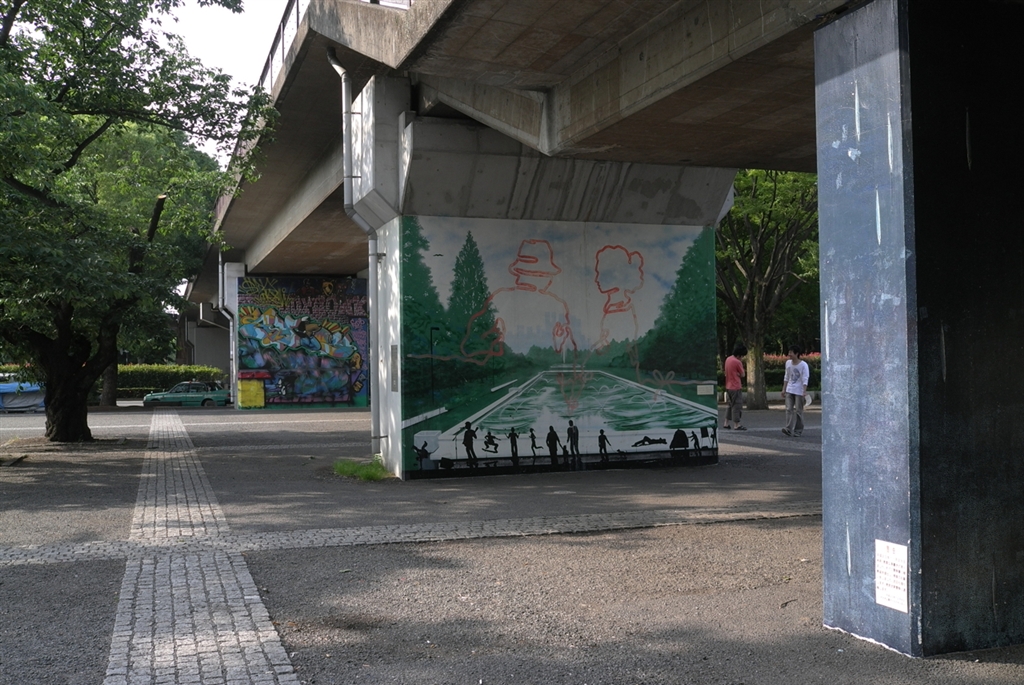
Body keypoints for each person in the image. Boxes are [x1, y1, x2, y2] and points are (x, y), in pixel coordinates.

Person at [782, 345, 809, 437]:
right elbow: (786, 376)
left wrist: (804, 391)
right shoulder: (788, 363)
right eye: (789, 352)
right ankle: (788, 428)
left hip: (799, 390)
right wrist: (784, 389)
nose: (789, 354)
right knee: (788, 409)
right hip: (789, 389)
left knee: (798, 411)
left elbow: (805, 378)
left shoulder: (803, 365)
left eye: (791, 352)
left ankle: (798, 430)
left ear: (797, 354)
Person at [723, 344, 747, 430]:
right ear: (739, 355)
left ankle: (726, 423)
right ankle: (736, 424)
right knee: (737, 406)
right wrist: (738, 374)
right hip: (736, 386)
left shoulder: (728, 359)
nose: (742, 358)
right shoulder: (737, 362)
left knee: (730, 405)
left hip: (728, 386)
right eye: (742, 356)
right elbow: (743, 374)